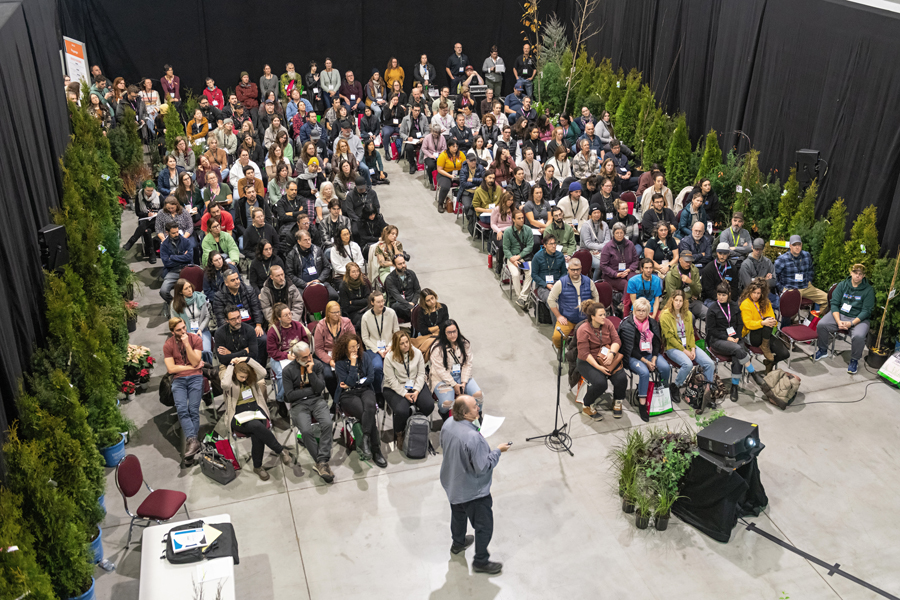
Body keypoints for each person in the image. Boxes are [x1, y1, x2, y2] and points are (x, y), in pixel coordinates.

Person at [439, 394, 508, 575]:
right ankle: (481, 561)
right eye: (475, 407)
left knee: (458, 514)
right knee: (484, 526)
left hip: (452, 483)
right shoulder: (472, 437)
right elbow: (482, 467)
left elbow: (443, 447)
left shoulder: (447, 425)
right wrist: (497, 451)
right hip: (473, 491)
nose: (478, 407)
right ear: (466, 414)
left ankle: (458, 543)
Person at [706, 282, 781, 405]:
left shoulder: (734, 306)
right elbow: (711, 330)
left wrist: (736, 336)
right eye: (719, 294)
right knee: (739, 350)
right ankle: (753, 372)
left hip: (735, 338)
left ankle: (734, 387)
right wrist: (727, 337)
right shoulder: (712, 309)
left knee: (738, 355)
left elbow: (740, 324)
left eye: (723, 295)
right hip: (718, 340)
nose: (721, 297)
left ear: (728, 294)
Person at [219, 357, 290, 480]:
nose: (244, 379)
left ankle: (257, 466)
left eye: (245, 376)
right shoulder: (231, 382)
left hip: (256, 410)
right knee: (258, 427)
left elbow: (263, 372)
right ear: (235, 374)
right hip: (237, 415)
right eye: (241, 376)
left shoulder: (251, 379)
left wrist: (248, 359)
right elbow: (224, 384)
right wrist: (231, 365)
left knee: (257, 432)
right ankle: (280, 450)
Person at [282, 341, 334, 482]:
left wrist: (310, 372)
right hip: (299, 404)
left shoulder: (316, 365)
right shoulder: (287, 371)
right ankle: (321, 462)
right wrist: (311, 391)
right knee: (305, 431)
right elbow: (289, 396)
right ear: (297, 357)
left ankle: (321, 461)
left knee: (327, 424)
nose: (309, 359)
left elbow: (320, 388)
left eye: (309, 355)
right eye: (304, 357)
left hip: (317, 401)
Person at [333, 333, 386, 467]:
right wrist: (353, 364)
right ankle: (376, 449)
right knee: (365, 412)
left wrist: (355, 383)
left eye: (356, 346)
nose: (355, 349)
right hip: (347, 394)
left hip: (365, 390)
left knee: (370, 407)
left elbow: (371, 377)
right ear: (345, 348)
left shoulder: (365, 356)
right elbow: (348, 382)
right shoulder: (339, 363)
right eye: (351, 347)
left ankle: (365, 439)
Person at [814, 264, 875, 374]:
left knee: (859, 336)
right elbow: (834, 304)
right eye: (855, 273)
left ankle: (854, 360)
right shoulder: (842, 285)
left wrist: (851, 324)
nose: (857, 276)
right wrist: (838, 321)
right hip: (841, 314)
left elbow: (866, 311)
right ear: (851, 273)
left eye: (860, 274)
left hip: (859, 318)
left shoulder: (868, 290)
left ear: (864, 276)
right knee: (822, 324)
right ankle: (823, 350)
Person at [618, 297, 671, 422]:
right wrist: (646, 362)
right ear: (634, 311)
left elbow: (657, 343)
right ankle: (642, 404)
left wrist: (653, 359)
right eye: (638, 310)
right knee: (644, 372)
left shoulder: (652, 323)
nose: (641, 313)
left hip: (649, 353)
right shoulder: (627, 325)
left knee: (665, 367)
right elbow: (630, 349)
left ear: (648, 312)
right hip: (633, 356)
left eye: (644, 310)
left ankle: (663, 393)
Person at [661, 290, 716, 407]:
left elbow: (691, 333)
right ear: (672, 300)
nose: (678, 303)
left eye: (681, 301)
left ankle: (706, 392)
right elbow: (669, 338)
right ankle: (676, 386)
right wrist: (684, 350)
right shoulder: (665, 315)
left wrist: (692, 349)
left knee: (710, 363)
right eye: (676, 300)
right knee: (688, 364)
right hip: (673, 347)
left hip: (689, 346)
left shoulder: (688, 314)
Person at [576, 300, 627, 419]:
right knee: (600, 383)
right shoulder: (583, 329)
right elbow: (584, 353)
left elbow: (616, 340)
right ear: (592, 317)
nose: (604, 317)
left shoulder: (607, 324)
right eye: (601, 315)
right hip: (588, 362)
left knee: (621, 378)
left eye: (605, 314)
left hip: (607, 358)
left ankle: (618, 401)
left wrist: (612, 354)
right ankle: (587, 406)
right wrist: (599, 367)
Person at [382, 330, 434, 447]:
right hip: (394, 387)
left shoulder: (417, 353)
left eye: (407, 342)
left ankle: (415, 424)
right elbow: (391, 380)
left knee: (428, 405)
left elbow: (421, 374)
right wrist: (404, 393)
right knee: (401, 411)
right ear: (396, 345)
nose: (406, 345)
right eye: (402, 343)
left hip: (415, 384)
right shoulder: (389, 358)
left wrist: (416, 390)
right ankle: (399, 432)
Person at [164, 317, 205, 460]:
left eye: (183, 327)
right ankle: (193, 441)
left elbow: (195, 361)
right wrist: (190, 367)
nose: (183, 331)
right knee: (182, 409)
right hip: (178, 379)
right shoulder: (168, 345)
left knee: (193, 409)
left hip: (195, 377)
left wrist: (187, 344)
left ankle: (191, 443)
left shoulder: (195, 340)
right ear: (172, 332)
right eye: (178, 330)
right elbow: (170, 369)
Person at [431, 320, 483, 418]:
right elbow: (440, 370)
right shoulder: (437, 348)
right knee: (447, 403)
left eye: (454, 331)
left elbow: (467, 364)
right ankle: (444, 414)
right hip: (442, 379)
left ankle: (478, 415)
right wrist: (454, 385)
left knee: (478, 395)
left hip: (461, 375)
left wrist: (463, 382)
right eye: (449, 333)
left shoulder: (465, 343)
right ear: (444, 333)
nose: (452, 335)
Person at [213, 270, 267, 362]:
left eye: (237, 278)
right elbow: (221, 318)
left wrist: (258, 325)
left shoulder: (249, 290)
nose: (237, 281)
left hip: (250, 324)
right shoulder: (219, 296)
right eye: (233, 280)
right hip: (231, 326)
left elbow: (256, 309)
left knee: (263, 339)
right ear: (226, 283)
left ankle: (260, 366)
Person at [739, 279, 790, 374]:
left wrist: (772, 321)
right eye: (754, 292)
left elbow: (773, 320)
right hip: (751, 334)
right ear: (749, 291)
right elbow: (748, 324)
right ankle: (765, 346)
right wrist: (763, 323)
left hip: (765, 333)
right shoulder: (745, 304)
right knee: (767, 320)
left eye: (758, 293)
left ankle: (769, 363)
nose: (756, 295)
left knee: (785, 354)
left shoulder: (765, 302)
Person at [548, 258, 599, 349]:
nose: (575, 272)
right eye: (573, 270)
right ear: (568, 269)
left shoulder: (588, 281)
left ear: (581, 269)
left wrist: (593, 312)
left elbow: (596, 296)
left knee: (597, 337)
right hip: (567, 319)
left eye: (578, 269)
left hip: (585, 319)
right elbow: (550, 300)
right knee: (557, 338)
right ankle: (563, 350)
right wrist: (559, 316)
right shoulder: (561, 283)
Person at [774, 234, 829, 312]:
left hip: (806, 287)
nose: (797, 247)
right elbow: (774, 275)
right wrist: (782, 288)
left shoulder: (806, 255)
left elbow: (810, 269)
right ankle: (791, 323)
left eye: (799, 244)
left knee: (827, 299)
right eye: (794, 245)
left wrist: (809, 281)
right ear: (790, 246)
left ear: (801, 245)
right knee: (789, 311)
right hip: (791, 289)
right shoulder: (782, 259)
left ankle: (815, 321)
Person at [313, 301, 355, 398]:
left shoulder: (346, 322)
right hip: (327, 355)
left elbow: (353, 340)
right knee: (328, 375)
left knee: (345, 370)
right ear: (328, 313)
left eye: (338, 312)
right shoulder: (321, 326)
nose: (337, 315)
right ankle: (336, 397)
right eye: (334, 312)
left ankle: (346, 396)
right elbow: (318, 349)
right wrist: (330, 361)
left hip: (344, 353)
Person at [360, 290, 399, 396]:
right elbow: (365, 338)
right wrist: (378, 350)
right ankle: (378, 393)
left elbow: (396, 333)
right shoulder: (366, 317)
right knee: (377, 367)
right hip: (373, 349)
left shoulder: (391, 313)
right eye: (378, 302)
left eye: (382, 301)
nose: (381, 304)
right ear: (372, 303)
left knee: (397, 365)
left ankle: (395, 391)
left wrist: (390, 346)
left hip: (390, 346)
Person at [170, 279, 212, 363]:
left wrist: (200, 329)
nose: (190, 290)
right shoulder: (175, 304)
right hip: (186, 332)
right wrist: (187, 333)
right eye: (186, 288)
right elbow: (175, 323)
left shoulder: (200, 297)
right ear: (180, 292)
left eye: (190, 287)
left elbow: (207, 316)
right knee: (191, 352)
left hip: (202, 330)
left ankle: (208, 370)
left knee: (205, 351)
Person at [502, 210, 535, 309]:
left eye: (522, 218)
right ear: (513, 220)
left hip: (524, 257)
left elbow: (530, 246)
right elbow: (505, 248)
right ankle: (521, 297)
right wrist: (512, 259)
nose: (521, 220)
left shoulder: (528, 230)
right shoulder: (508, 231)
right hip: (512, 257)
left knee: (530, 273)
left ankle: (522, 298)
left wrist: (519, 256)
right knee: (515, 274)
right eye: (519, 218)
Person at [159, 221, 196, 307]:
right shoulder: (164, 245)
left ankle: (193, 304)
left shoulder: (186, 241)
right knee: (163, 291)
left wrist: (172, 257)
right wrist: (183, 257)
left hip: (186, 269)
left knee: (195, 287)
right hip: (173, 271)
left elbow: (189, 257)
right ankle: (175, 304)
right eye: (173, 233)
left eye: (177, 232)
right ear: (167, 233)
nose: (176, 234)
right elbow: (166, 263)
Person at [600, 222, 639, 302]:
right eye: (617, 233)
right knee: (627, 284)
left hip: (628, 271)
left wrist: (629, 270)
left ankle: (638, 303)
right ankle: (624, 304)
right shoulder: (607, 247)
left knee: (635, 280)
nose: (619, 235)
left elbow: (635, 260)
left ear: (624, 233)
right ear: (613, 233)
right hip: (613, 275)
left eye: (621, 232)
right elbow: (603, 265)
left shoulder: (630, 244)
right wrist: (616, 274)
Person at [123, 180, 161, 263]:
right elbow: (138, 213)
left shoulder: (158, 196)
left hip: (156, 221)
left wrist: (155, 213)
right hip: (144, 219)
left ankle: (131, 241)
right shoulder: (139, 196)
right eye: (147, 190)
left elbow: (164, 211)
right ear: (144, 189)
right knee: (147, 231)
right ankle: (152, 254)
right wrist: (147, 215)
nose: (149, 192)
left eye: (151, 190)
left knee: (145, 227)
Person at [665, 251, 705, 323]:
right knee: (690, 318)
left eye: (690, 261)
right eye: (686, 261)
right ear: (680, 260)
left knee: (708, 313)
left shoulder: (694, 270)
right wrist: (689, 294)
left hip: (692, 301)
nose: (688, 263)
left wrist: (691, 282)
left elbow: (698, 290)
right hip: (677, 304)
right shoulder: (671, 274)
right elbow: (672, 295)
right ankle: (690, 334)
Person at [740, 238, 778, 308]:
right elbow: (748, 285)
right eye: (756, 249)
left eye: (760, 249)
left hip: (766, 294)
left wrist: (754, 280)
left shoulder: (768, 262)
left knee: (782, 304)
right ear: (752, 247)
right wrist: (765, 280)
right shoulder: (745, 264)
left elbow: (773, 282)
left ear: (763, 249)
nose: (758, 251)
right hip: (751, 295)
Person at [530, 235, 567, 305]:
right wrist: (546, 285)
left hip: (557, 283)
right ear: (545, 245)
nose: (554, 246)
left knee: (567, 298)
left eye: (554, 243)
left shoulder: (560, 256)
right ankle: (558, 316)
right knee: (551, 301)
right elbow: (534, 275)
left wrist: (559, 282)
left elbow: (564, 273)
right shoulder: (537, 257)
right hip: (542, 285)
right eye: (551, 244)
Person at [382, 254, 421, 320]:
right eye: (400, 264)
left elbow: (417, 290)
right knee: (396, 306)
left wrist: (413, 302)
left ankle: (415, 315)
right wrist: (410, 307)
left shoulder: (411, 274)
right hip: (399, 304)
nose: (403, 265)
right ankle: (416, 314)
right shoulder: (390, 279)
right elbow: (397, 297)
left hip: (412, 301)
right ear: (394, 265)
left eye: (404, 263)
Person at [411, 288, 449, 353]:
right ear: (424, 302)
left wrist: (432, 329)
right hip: (426, 336)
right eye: (428, 300)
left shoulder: (443, 307)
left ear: (435, 296)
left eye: (432, 298)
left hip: (441, 334)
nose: (432, 302)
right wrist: (438, 328)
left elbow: (446, 324)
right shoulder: (421, 311)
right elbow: (423, 331)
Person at [701, 243, 738, 307]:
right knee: (717, 309)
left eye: (725, 254)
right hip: (712, 299)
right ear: (717, 253)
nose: (722, 256)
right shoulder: (708, 269)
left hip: (729, 298)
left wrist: (728, 298)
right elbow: (708, 290)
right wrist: (721, 298)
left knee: (738, 307)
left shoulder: (733, 268)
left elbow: (735, 287)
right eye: (720, 253)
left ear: (728, 253)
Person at [339, 262, 372, 332]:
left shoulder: (363, 282)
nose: (356, 273)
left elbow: (368, 300)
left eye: (357, 271)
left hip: (366, 308)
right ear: (348, 273)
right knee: (364, 319)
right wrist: (362, 302)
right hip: (352, 313)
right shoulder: (343, 286)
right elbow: (346, 307)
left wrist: (353, 302)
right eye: (353, 272)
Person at [580, 205, 610, 280]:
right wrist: (601, 247)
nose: (597, 214)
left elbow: (608, 241)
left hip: (602, 251)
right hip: (588, 251)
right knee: (599, 265)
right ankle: (594, 282)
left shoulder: (604, 224)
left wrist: (600, 249)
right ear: (591, 214)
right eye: (594, 213)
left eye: (598, 212)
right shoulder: (586, 226)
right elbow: (588, 243)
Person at [436, 139, 466, 213]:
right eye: (453, 146)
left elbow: (465, 166)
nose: (455, 148)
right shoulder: (443, 155)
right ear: (449, 147)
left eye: (456, 146)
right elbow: (439, 169)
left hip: (458, 173)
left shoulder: (461, 154)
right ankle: (440, 203)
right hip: (444, 174)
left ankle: (463, 203)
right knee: (445, 187)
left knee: (467, 183)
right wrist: (450, 176)